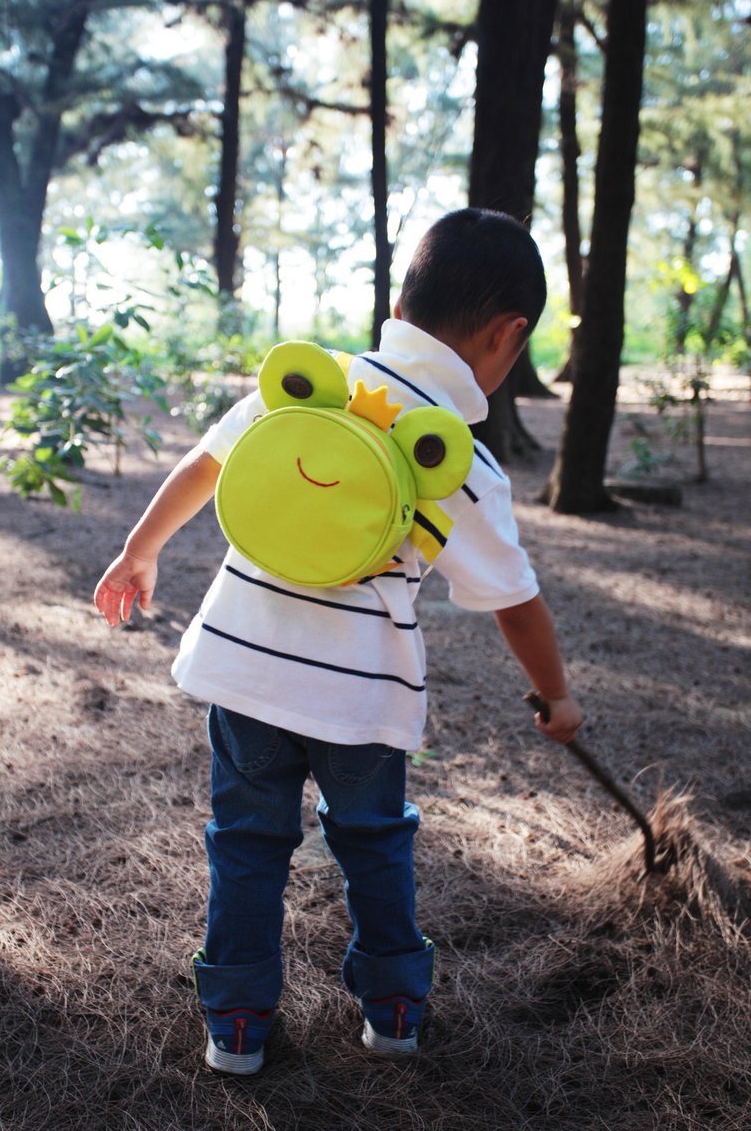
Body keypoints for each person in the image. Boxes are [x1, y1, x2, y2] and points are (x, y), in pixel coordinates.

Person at [94, 208, 583, 1076]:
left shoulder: (310, 386)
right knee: (374, 841)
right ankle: (393, 1009)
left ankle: (236, 1023)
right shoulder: (463, 463)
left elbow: (208, 462)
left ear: (399, 303)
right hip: (361, 696)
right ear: (509, 336)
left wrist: (141, 549)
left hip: (246, 673)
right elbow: (515, 602)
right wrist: (555, 694)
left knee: (246, 843)